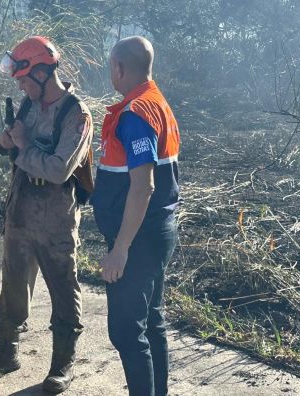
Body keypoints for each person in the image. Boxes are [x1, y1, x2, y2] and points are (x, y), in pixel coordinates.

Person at [0, 36, 93, 394]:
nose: (22, 87)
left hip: (56, 219)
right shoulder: (28, 105)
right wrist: (8, 141)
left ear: (43, 73)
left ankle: (62, 365)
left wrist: (23, 146)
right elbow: (8, 148)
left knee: (63, 287)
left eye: (25, 79)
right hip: (21, 213)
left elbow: (59, 169)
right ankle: (6, 353)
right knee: (12, 287)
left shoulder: (77, 114)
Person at [90, 36, 180, 396]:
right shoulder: (157, 103)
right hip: (157, 231)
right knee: (151, 322)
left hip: (139, 237)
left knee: (127, 330)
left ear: (119, 68)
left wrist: (121, 248)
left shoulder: (134, 115)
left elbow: (143, 187)